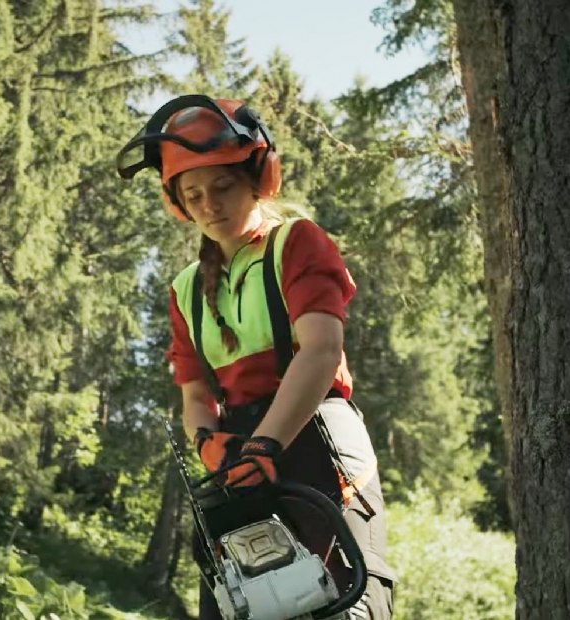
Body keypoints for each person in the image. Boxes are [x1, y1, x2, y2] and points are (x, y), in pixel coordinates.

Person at [116, 95, 397, 619]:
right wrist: (208, 445)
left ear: (258, 179)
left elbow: (320, 351)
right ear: (178, 203)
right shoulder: (184, 289)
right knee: (239, 606)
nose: (209, 205)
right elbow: (195, 395)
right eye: (194, 195)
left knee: (346, 601)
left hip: (317, 436)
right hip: (238, 457)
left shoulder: (296, 243)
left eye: (222, 186)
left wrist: (266, 444)